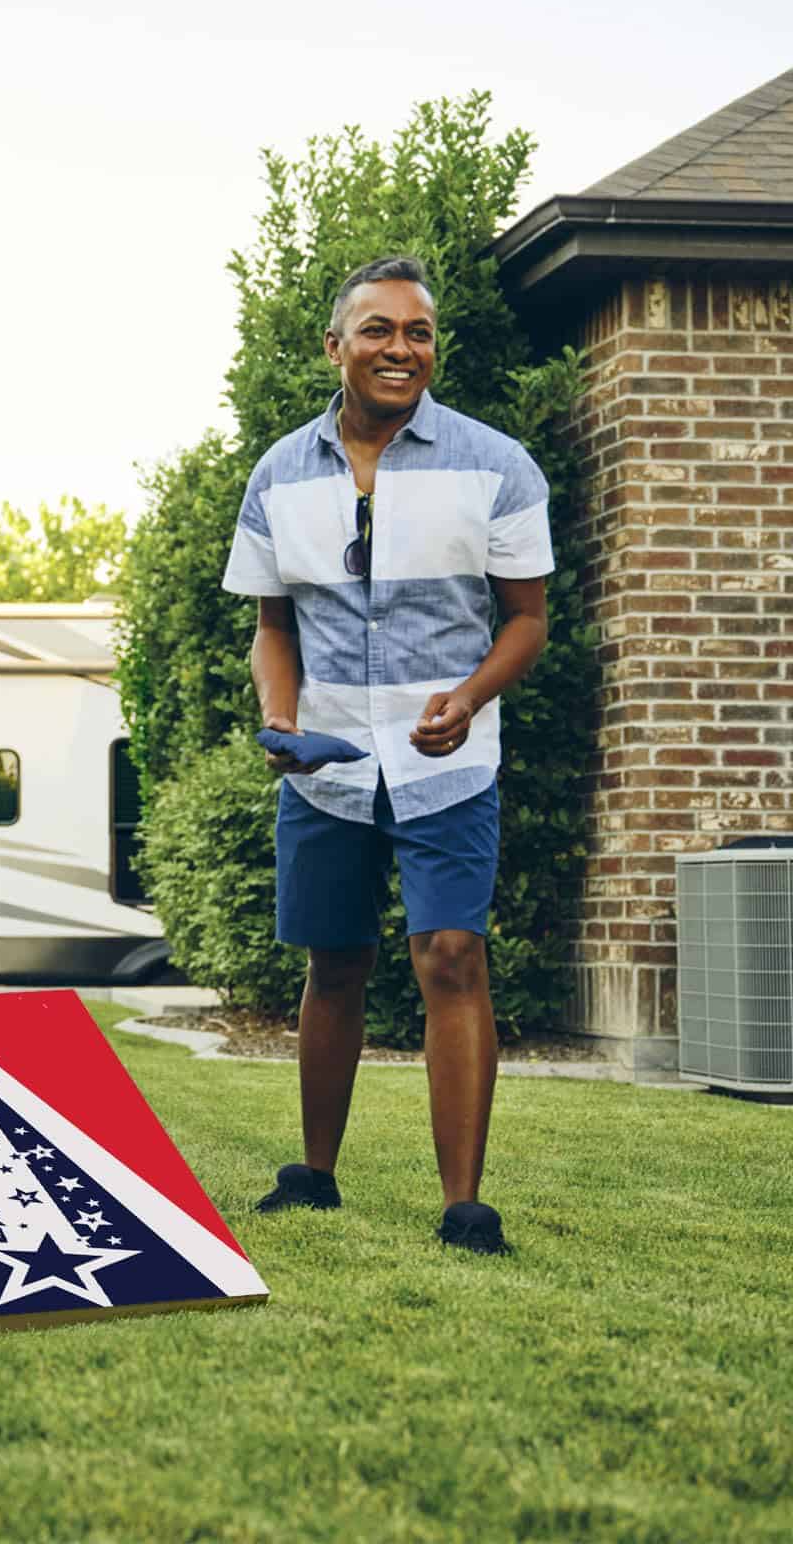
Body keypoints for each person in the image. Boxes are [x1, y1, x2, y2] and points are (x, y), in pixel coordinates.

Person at [222, 254, 553, 1256]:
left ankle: (464, 1206)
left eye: (416, 332)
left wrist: (467, 696)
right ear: (335, 346)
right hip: (323, 764)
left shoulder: (497, 466)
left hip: (445, 758)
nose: (398, 349)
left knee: (450, 954)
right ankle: (313, 1176)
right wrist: (278, 716)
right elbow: (271, 625)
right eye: (377, 330)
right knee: (336, 962)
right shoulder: (279, 472)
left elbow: (528, 622)